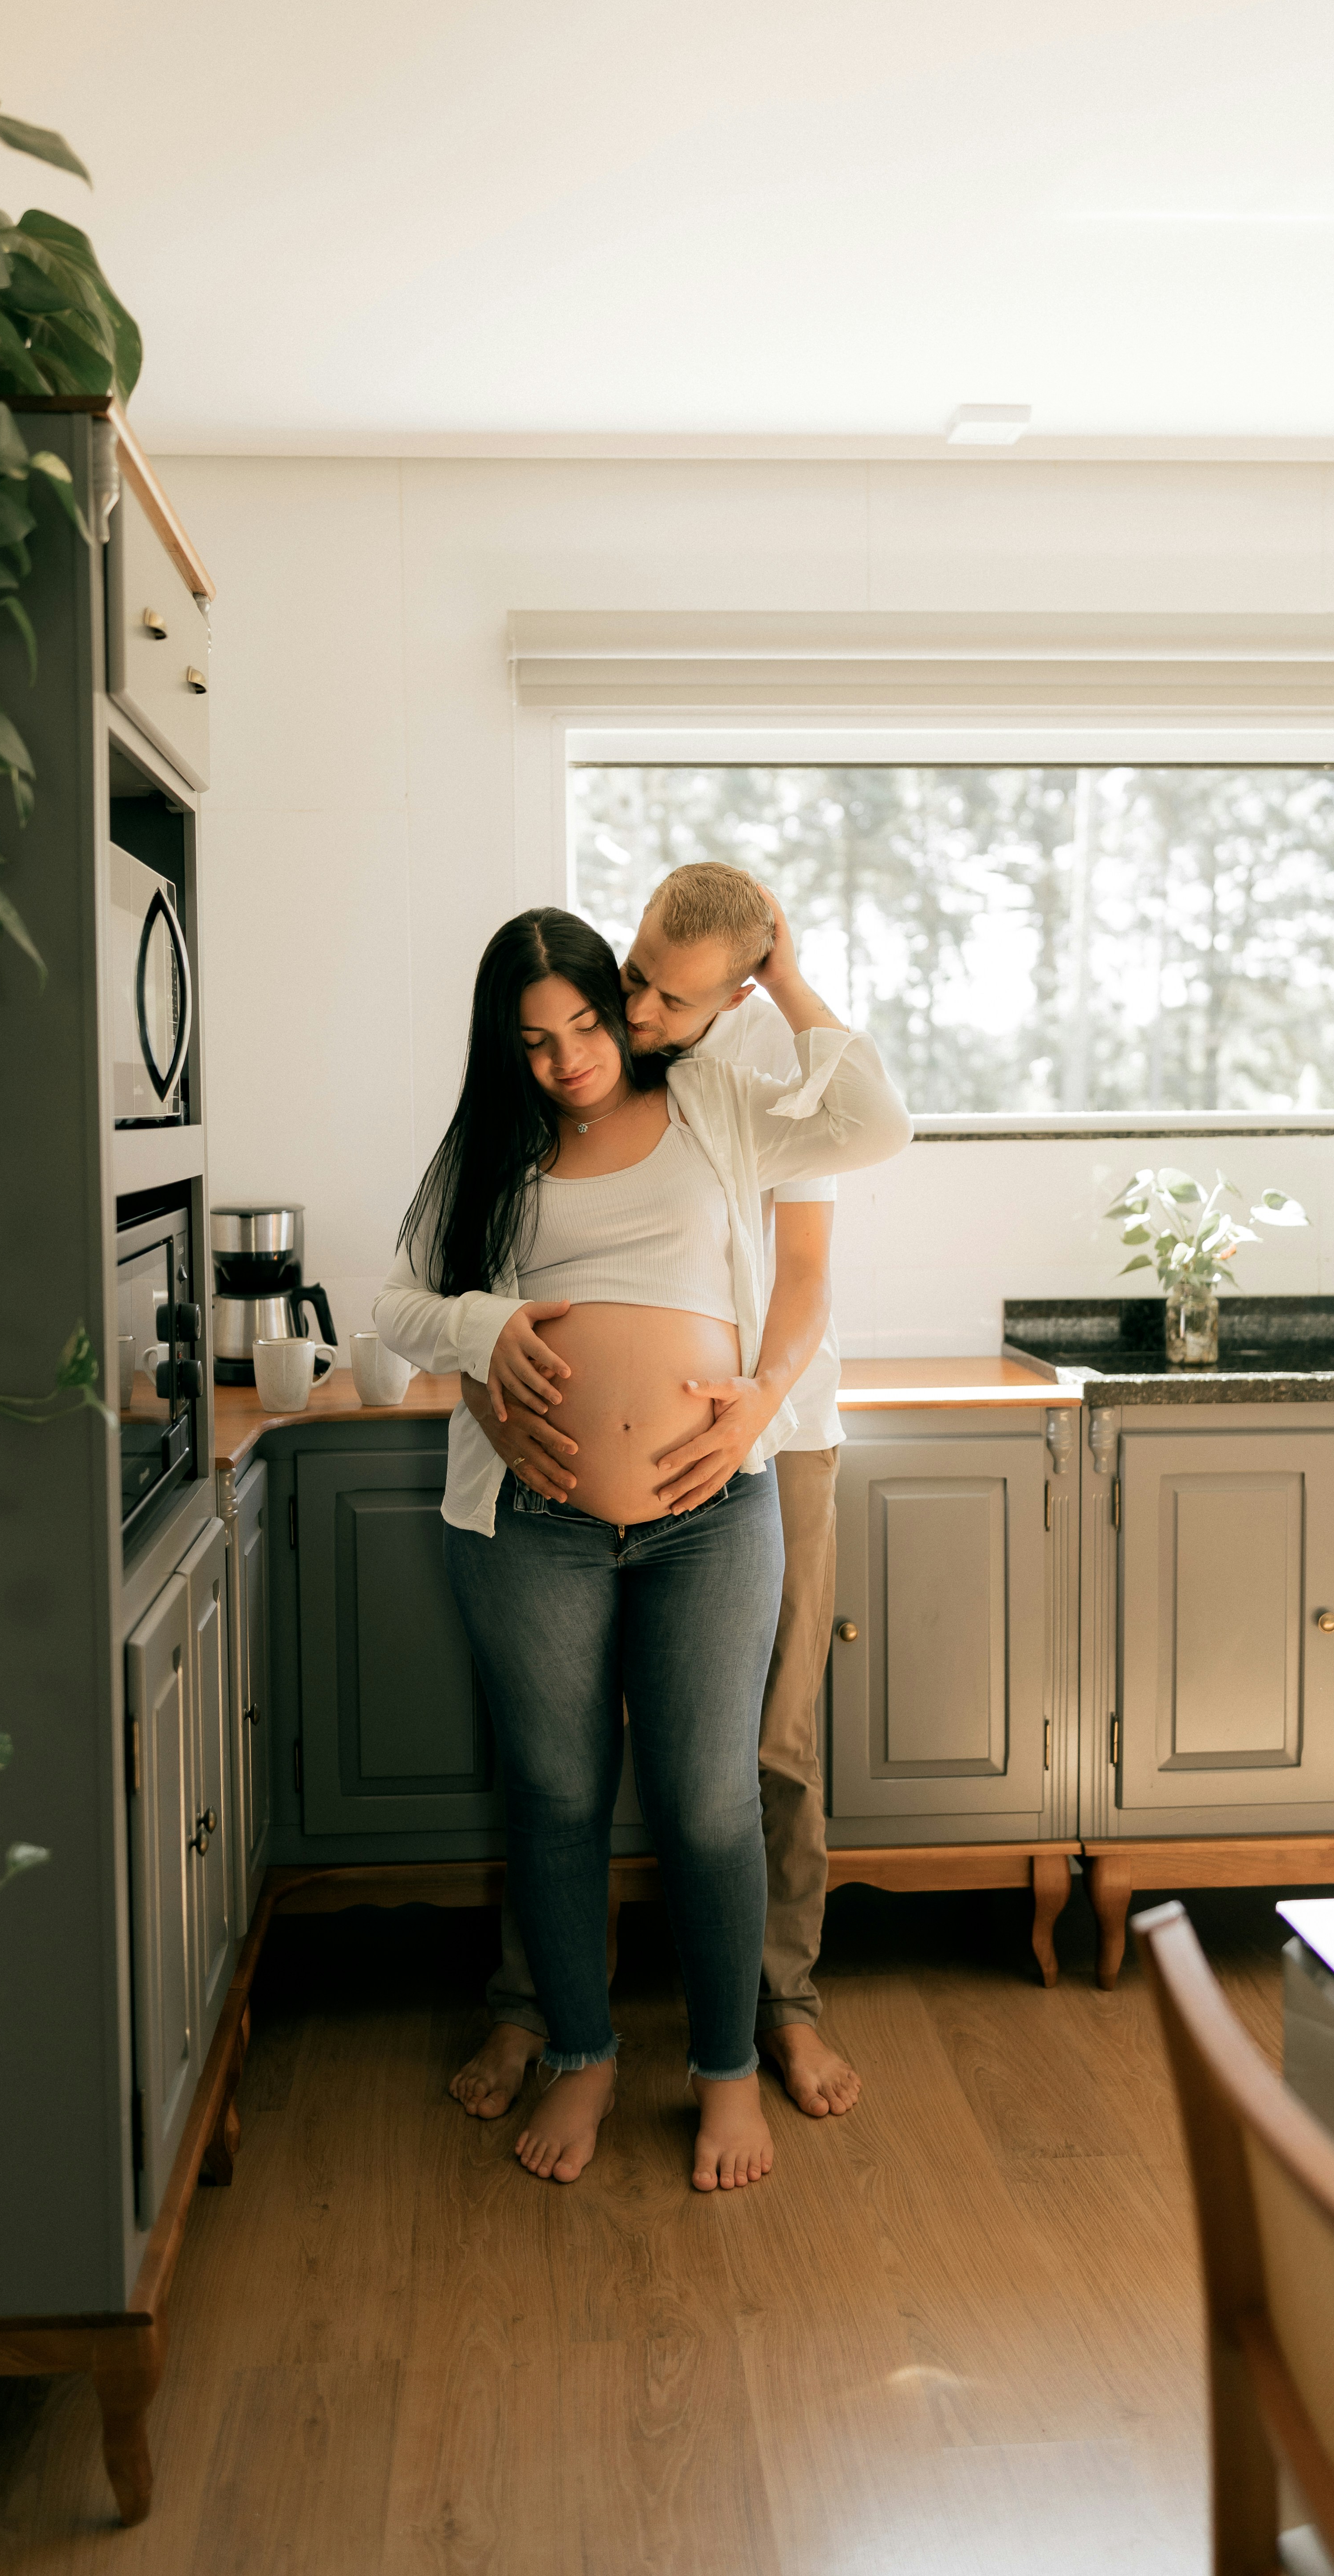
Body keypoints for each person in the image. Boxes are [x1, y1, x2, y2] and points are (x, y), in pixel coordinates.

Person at [373, 894, 910, 2191]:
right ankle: (585, 2053)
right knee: (556, 1799)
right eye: (536, 1040)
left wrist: (777, 972)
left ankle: (726, 2072)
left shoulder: (716, 1100)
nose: (571, 1059)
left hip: (711, 1517)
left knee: (712, 1800)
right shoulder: (486, 1149)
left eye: (590, 1024)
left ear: (630, 1010)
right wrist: (481, 1331)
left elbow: (874, 1124)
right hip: (530, 1527)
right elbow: (393, 1306)